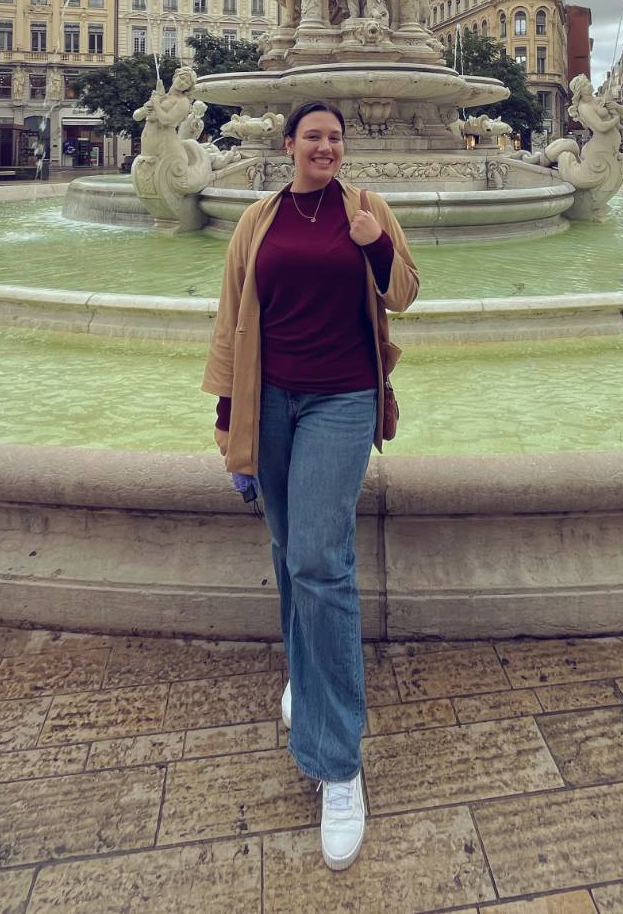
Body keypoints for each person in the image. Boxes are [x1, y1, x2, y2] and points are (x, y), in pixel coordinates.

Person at [202, 100, 419, 870]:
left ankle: (337, 763)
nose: (325, 146)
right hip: (273, 402)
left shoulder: (367, 210)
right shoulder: (257, 220)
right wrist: (233, 422)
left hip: (341, 400)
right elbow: (232, 317)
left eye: (335, 137)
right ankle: (306, 677)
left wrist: (377, 250)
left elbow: (406, 294)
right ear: (289, 144)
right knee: (291, 550)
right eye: (313, 136)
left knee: (323, 564)